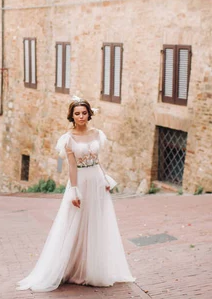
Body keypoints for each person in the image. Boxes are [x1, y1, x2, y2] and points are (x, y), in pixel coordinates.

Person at [17, 97, 135, 292]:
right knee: (74, 223)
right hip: (80, 180)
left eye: (84, 113)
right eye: (77, 113)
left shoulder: (97, 134)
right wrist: (74, 190)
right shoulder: (68, 138)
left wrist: (105, 179)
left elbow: (98, 160)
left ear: (89, 114)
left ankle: (92, 269)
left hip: (96, 180)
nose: (81, 116)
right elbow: (71, 166)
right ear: (72, 116)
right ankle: (70, 268)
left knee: (96, 223)